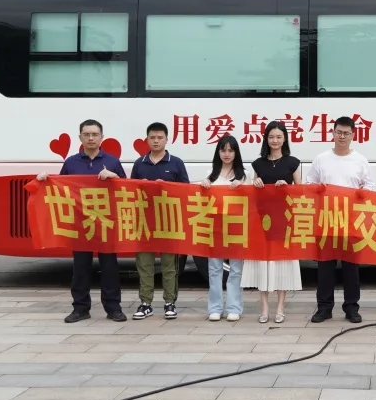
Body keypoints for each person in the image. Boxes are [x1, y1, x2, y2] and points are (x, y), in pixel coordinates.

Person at [37, 119, 127, 324]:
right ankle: (80, 308)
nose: (91, 138)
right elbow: (60, 189)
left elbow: (124, 190)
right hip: (80, 224)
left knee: (110, 267)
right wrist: (44, 180)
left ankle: (113, 308)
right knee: (80, 268)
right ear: (80, 138)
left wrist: (114, 176)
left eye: (95, 134)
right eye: (86, 134)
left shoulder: (112, 161)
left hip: (105, 223)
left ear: (102, 137)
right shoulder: (71, 162)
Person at [306, 116, 374, 324]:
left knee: (351, 266)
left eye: (346, 133)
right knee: (325, 266)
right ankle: (324, 308)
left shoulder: (360, 160)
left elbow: (369, 185)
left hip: (351, 220)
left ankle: (351, 308)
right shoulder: (321, 159)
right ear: (333, 133)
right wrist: (317, 189)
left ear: (353, 135)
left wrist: (363, 191)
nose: (342, 136)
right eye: (339, 132)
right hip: (326, 219)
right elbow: (309, 184)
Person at [129, 122, 190, 321]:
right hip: (144, 222)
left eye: (160, 138)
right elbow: (129, 191)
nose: (156, 141)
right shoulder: (139, 163)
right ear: (147, 140)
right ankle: (145, 303)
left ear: (167, 139)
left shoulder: (176, 163)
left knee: (169, 266)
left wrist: (168, 187)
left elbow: (186, 191)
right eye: (152, 138)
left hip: (169, 221)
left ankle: (169, 302)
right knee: (144, 264)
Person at [244, 121, 303, 324]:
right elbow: (253, 194)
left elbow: (300, 191)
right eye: (271, 137)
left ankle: (280, 308)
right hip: (262, 221)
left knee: (282, 264)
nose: (275, 140)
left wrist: (287, 186)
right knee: (262, 263)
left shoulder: (293, 162)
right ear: (266, 139)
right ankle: (264, 308)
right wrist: (255, 183)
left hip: (284, 221)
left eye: (278, 137)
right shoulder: (258, 164)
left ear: (284, 139)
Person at [199, 134, 247, 322]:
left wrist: (242, 187)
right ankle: (215, 308)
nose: (227, 154)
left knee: (235, 269)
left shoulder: (244, 175)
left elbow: (252, 200)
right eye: (223, 150)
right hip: (215, 227)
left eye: (230, 150)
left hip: (236, 227)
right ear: (218, 152)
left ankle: (234, 307)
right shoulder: (211, 175)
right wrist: (204, 185)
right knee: (214, 268)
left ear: (236, 153)